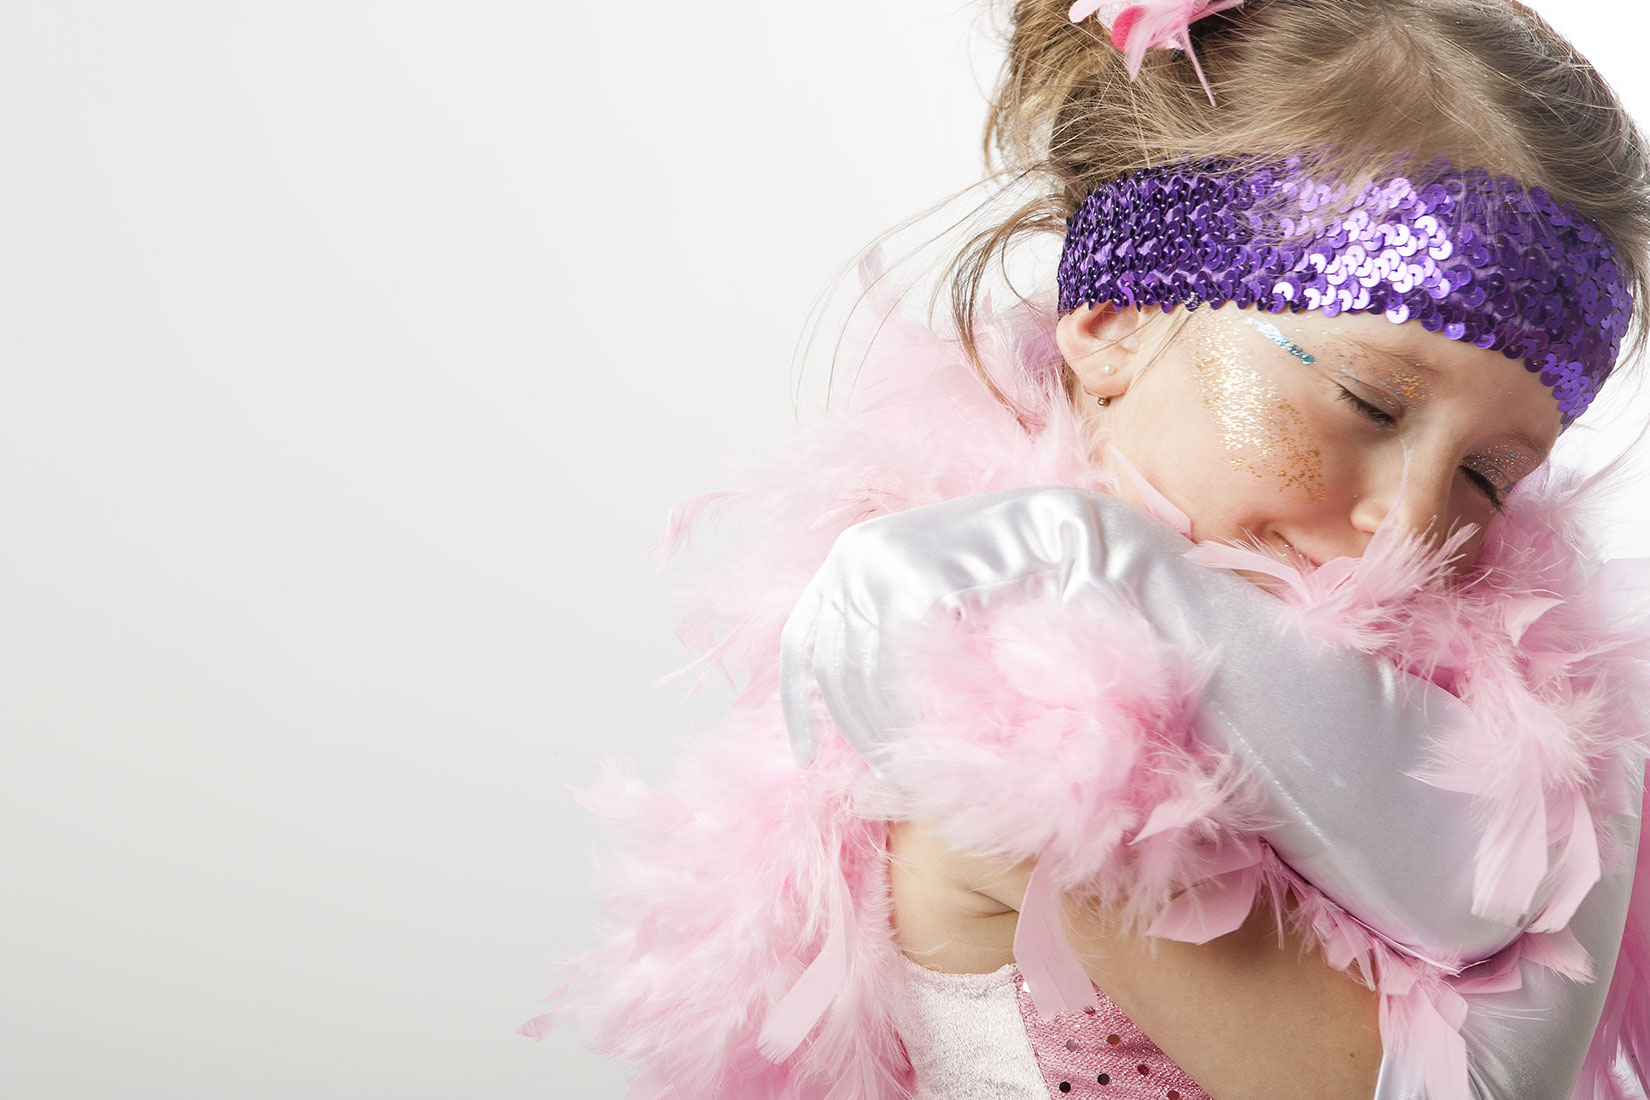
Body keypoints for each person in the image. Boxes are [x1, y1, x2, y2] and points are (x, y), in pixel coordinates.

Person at [525, 1, 1650, 1097]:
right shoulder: (1036, 737)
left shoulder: (1474, 696)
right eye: (1365, 401)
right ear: (1115, 319)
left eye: (1488, 473)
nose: (1410, 524)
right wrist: (1096, 562)